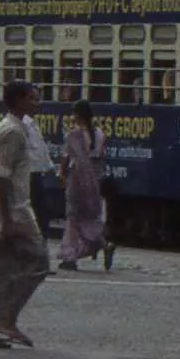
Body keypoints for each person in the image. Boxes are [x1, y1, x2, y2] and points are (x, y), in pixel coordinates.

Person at [0, 80, 51, 350]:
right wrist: (7, 221)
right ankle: (7, 318)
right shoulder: (14, 132)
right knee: (38, 261)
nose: (37, 103)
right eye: (32, 98)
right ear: (18, 101)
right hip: (14, 210)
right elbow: (2, 177)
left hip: (3, 209)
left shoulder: (9, 127)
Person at [58, 100, 111, 272]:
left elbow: (66, 160)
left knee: (73, 218)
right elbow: (101, 159)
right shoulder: (100, 134)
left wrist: (63, 176)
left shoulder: (74, 135)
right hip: (94, 181)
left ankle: (70, 256)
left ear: (78, 115)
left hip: (77, 178)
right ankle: (104, 243)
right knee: (90, 217)